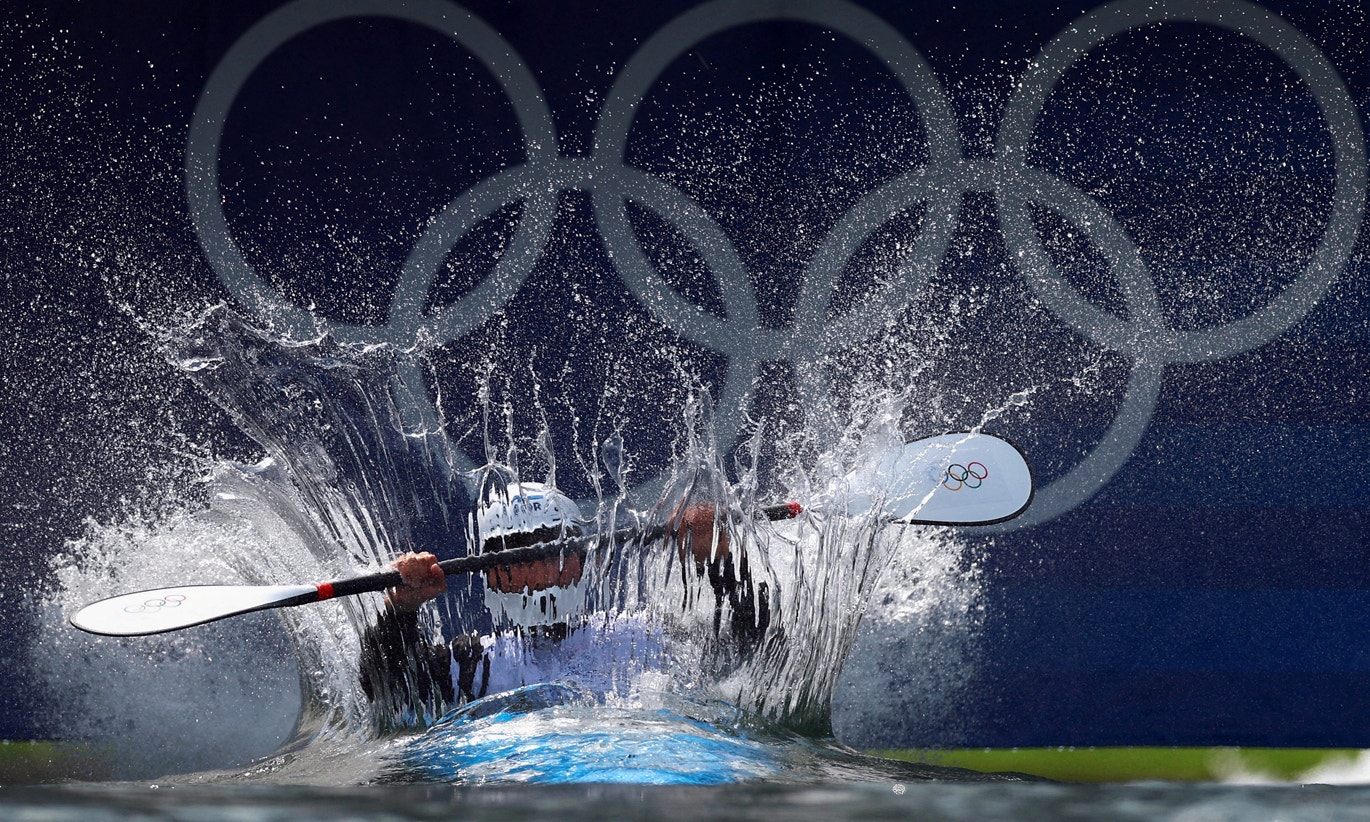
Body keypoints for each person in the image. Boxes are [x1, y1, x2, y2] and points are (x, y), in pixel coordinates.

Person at [359, 478, 772, 723]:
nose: (538, 573)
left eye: (552, 551)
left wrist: (719, 561)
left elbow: (752, 647)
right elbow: (384, 692)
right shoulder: (469, 664)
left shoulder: (643, 634)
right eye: (517, 553)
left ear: (579, 561)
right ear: (492, 573)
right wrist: (401, 610)